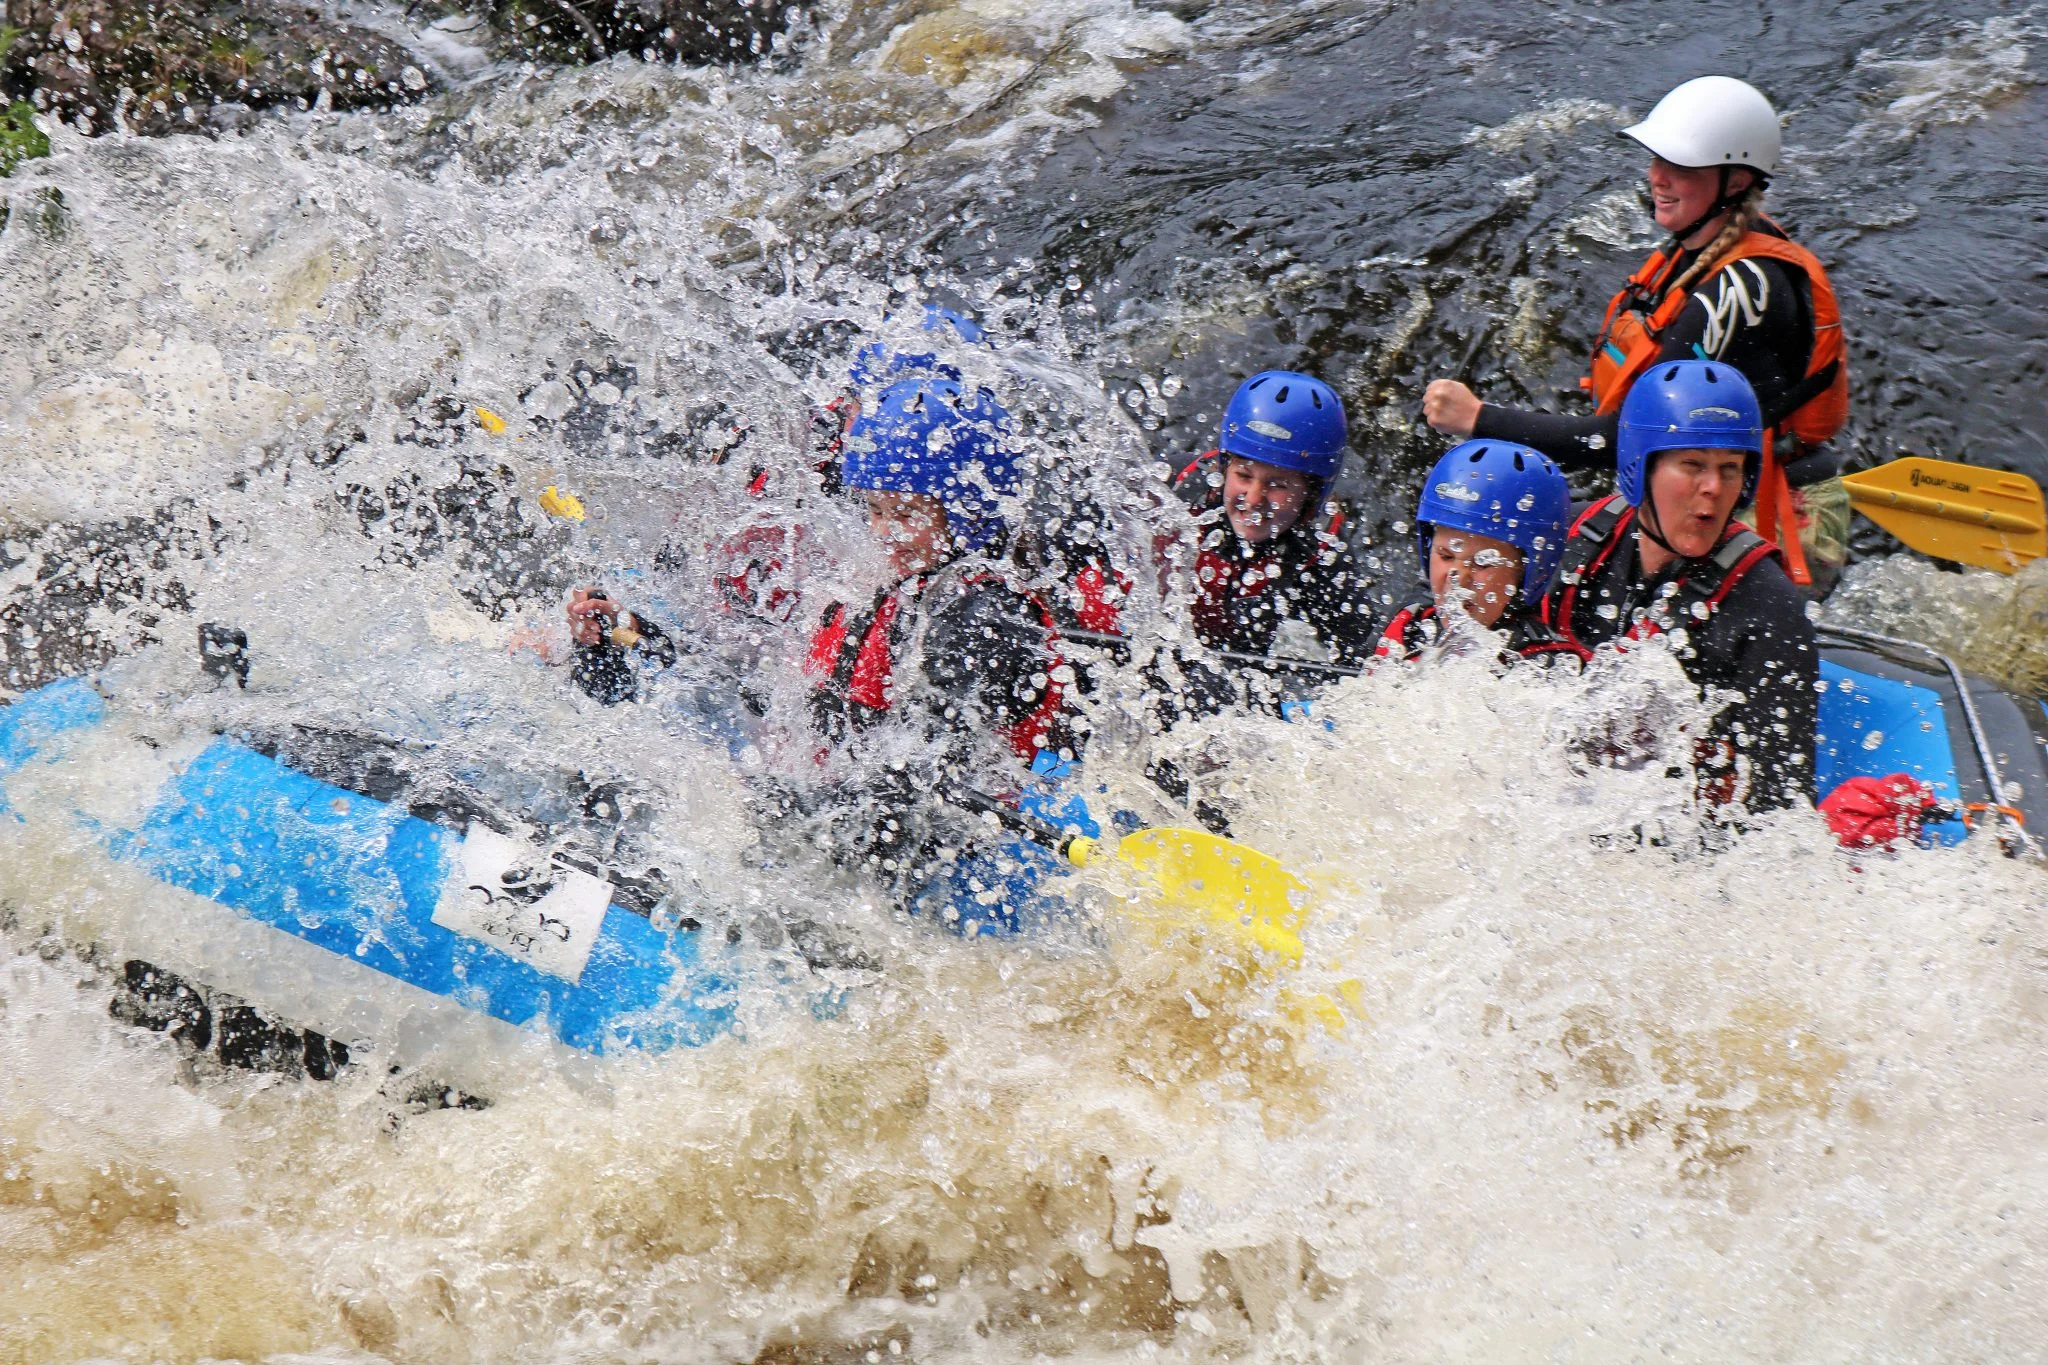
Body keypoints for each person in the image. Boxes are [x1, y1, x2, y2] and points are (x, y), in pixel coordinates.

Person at [1423, 77, 1852, 594]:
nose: (1658, 178)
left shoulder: (1739, 289)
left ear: (1736, 181)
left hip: (1771, 520)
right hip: (1687, 495)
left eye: (1682, 168)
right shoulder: (1696, 252)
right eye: (1658, 161)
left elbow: (1621, 441)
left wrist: (1480, 419)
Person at [1537, 359, 1817, 812]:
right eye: (1692, 464)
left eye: (1730, 468)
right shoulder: (1569, 537)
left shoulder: (1772, 611)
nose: (1713, 487)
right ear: (1641, 468)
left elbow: (1780, 813)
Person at [1162, 371, 1378, 688]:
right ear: (1224, 467)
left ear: (1312, 495)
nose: (1253, 499)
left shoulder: (1320, 556)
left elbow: (1360, 662)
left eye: (1277, 485)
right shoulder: (1177, 488)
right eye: (1244, 476)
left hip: (1237, 683)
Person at [1375, 440, 1586, 664]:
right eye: (1446, 556)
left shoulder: (1543, 665)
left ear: (1528, 570)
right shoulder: (1408, 625)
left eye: (1483, 563)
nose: (1458, 577)